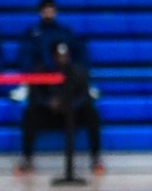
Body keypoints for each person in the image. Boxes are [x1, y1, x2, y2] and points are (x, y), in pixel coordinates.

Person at [15, 42, 104, 177]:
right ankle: (27, 159)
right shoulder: (41, 71)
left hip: (73, 114)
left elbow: (85, 96)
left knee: (91, 113)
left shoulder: (78, 72)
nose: (62, 59)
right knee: (30, 113)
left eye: (65, 56)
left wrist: (70, 105)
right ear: (53, 57)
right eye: (59, 56)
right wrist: (48, 103)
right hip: (50, 114)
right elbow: (35, 95)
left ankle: (96, 159)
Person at [19, 0, 85, 73]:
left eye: (51, 11)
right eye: (45, 11)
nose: (48, 14)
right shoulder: (32, 34)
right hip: (38, 78)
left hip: (64, 78)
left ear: (55, 12)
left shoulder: (64, 32)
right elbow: (26, 58)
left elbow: (77, 51)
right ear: (40, 12)